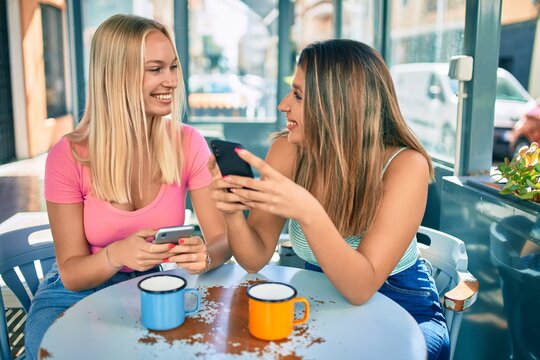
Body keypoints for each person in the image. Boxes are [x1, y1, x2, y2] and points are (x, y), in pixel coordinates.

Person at [208, 39, 450, 360]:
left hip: (403, 303)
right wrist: (232, 210)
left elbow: (361, 288)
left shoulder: (405, 165)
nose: (283, 104)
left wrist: (308, 210)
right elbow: (254, 258)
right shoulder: (288, 149)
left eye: (297, 95)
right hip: (319, 296)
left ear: (337, 105)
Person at [24, 14, 231, 359]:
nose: (171, 81)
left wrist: (205, 255)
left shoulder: (188, 143)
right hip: (72, 296)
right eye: (155, 69)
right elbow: (72, 273)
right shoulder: (69, 156)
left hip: (149, 287)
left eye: (173, 67)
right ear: (117, 75)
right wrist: (115, 254)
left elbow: (222, 240)